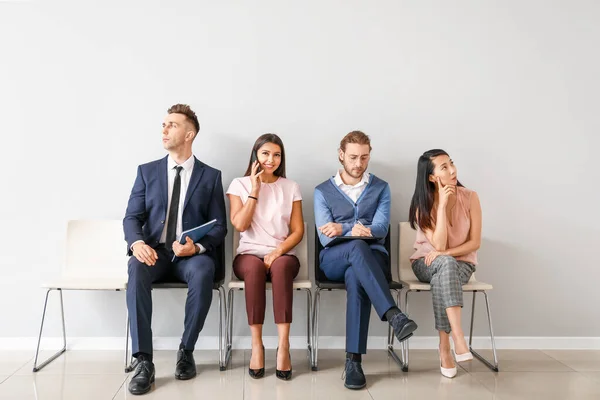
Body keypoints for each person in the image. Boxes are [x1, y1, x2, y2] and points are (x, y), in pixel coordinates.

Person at [123, 104, 227, 395]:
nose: (164, 130)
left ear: (189, 133)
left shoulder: (211, 176)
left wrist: (197, 247)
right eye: (163, 124)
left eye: (172, 125)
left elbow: (220, 227)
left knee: (205, 270)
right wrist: (137, 242)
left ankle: (186, 350)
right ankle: (144, 360)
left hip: (188, 256)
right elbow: (132, 217)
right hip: (154, 252)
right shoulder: (147, 172)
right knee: (135, 267)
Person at [314, 130, 417, 390]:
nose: (358, 164)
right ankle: (393, 314)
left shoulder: (381, 188)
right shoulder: (322, 191)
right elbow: (326, 237)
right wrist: (355, 229)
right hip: (333, 259)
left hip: (374, 260)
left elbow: (381, 228)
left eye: (364, 157)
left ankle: (353, 362)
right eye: (352, 157)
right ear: (341, 155)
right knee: (357, 246)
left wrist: (343, 228)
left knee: (356, 275)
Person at [226, 133, 304, 380]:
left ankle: (284, 346)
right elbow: (239, 224)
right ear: (255, 156)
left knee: (280, 268)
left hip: (283, 255)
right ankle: (257, 345)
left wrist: (277, 251)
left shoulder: (291, 187)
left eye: (277, 154)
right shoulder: (238, 184)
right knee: (255, 269)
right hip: (248, 255)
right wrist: (255, 190)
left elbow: (298, 230)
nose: (271, 159)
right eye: (266, 153)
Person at [408, 149, 481, 378]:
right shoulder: (423, 204)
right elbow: (437, 246)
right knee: (444, 264)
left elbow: (474, 243)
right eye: (444, 167)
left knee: (446, 267)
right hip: (425, 264)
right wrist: (441, 206)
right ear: (432, 177)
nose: (452, 170)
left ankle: (444, 345)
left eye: (451, 164)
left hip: (462, 265)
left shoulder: (470, 197)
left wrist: (446, 253)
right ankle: (458, 337)